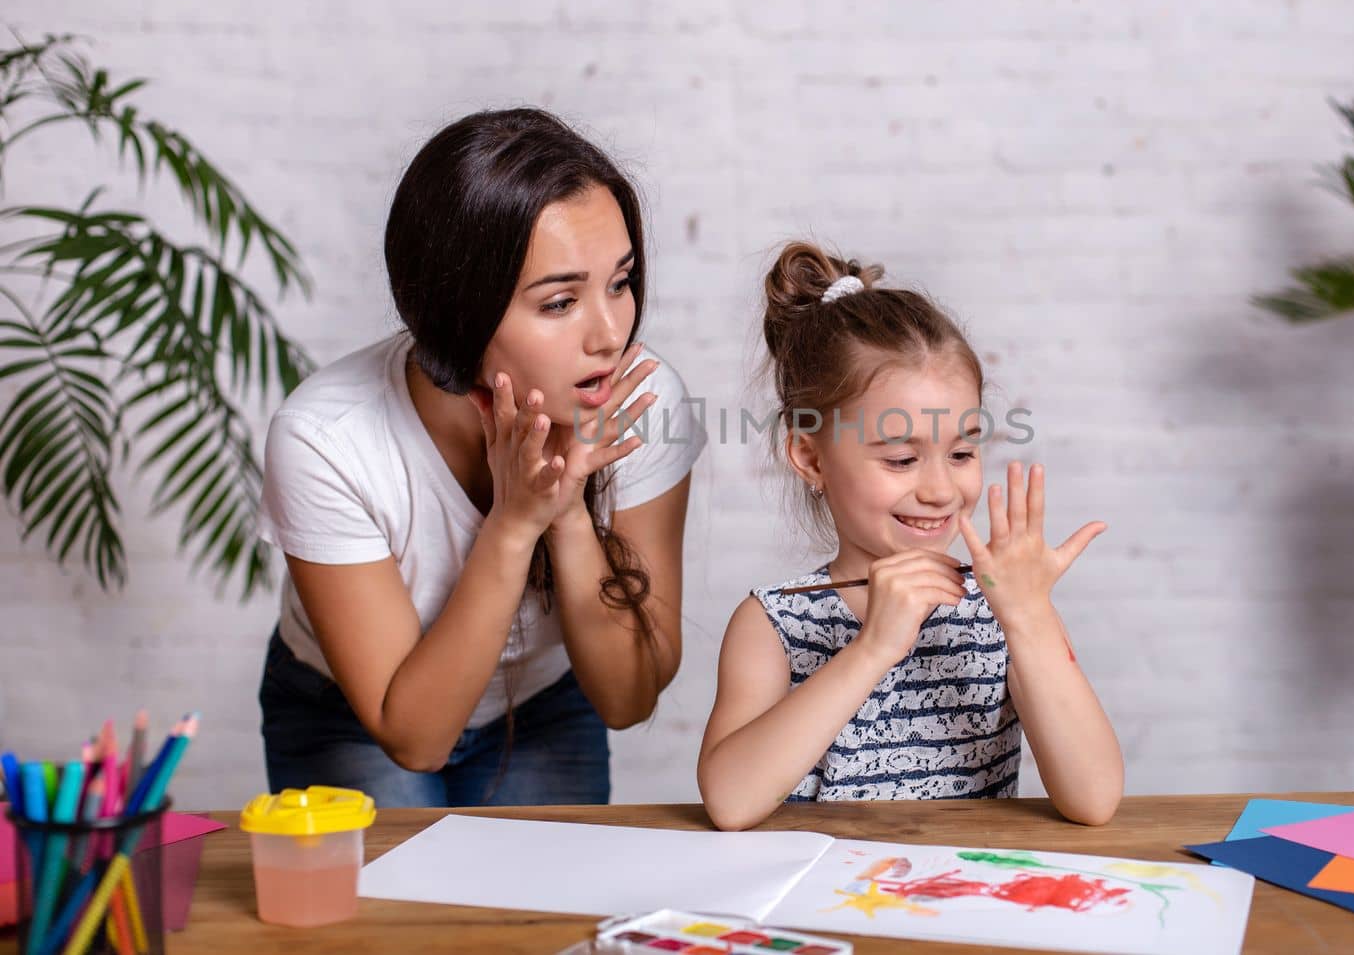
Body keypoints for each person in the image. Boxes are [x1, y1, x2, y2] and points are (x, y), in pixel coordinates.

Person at [258, 108, 705, 806]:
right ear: (456, 310)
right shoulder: (327, 439)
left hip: (545, 704)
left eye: (620, 282)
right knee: (397, 917)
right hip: (349, 716)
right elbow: (414, 738)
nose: (611, 333)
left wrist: (566, 513)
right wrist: (513, 522)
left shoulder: (643, 402)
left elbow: (627, 697)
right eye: (560, 302)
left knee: (550, 916)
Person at [697, 241, 1121, 830]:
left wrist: (1028, 618)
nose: (940, 490)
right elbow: (730, 802)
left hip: (961, 894)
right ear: (809, 457)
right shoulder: (773, 623)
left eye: (962, 451)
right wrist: (873, 648)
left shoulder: (1002, 607)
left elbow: (1094, 799)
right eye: (901, 459)